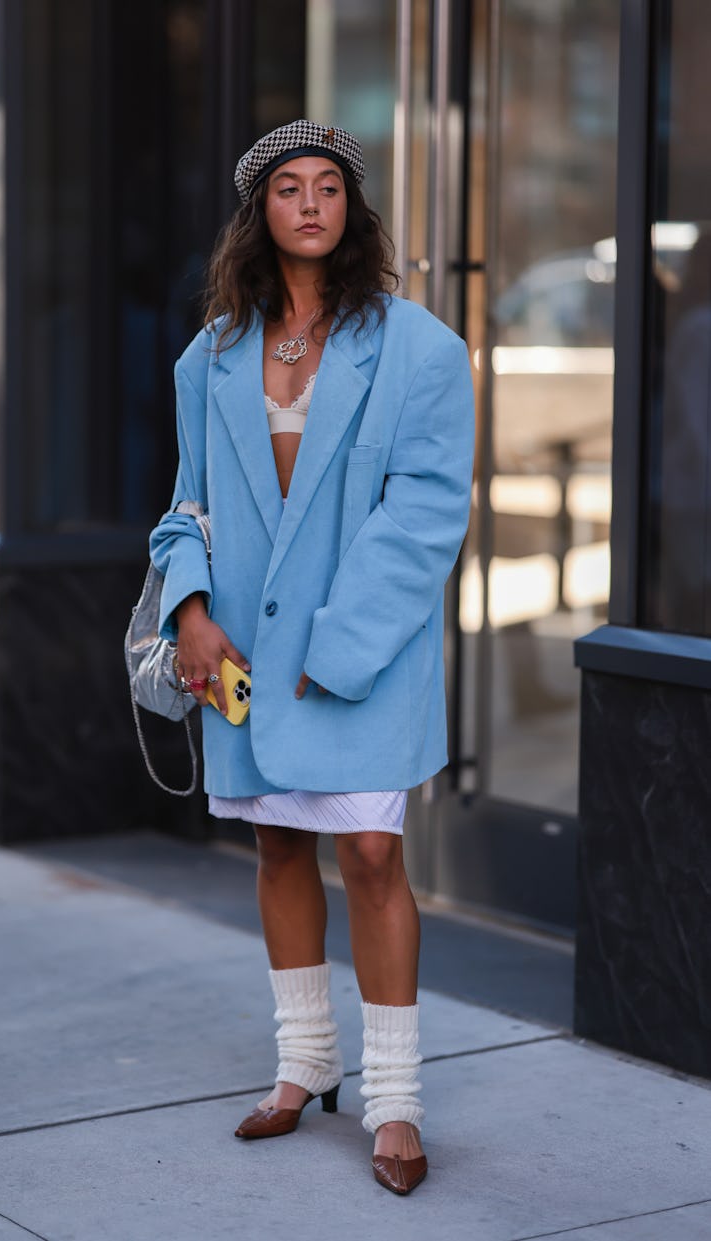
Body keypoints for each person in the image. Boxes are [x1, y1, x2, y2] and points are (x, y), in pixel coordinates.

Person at [148, 119, 474, 1196]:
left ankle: (393, 1100)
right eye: (288, 187)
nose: (310, 203)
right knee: (280, 851)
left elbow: (427, 510)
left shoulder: (419, 348)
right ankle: (302, 1065)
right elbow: (185, 504)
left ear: (352, 207)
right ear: (261, 212)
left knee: (373, 855)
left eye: (328, 185)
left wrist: (341, 647)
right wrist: (190, 608)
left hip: (360, 655)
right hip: (240, 656)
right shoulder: (214, 353)